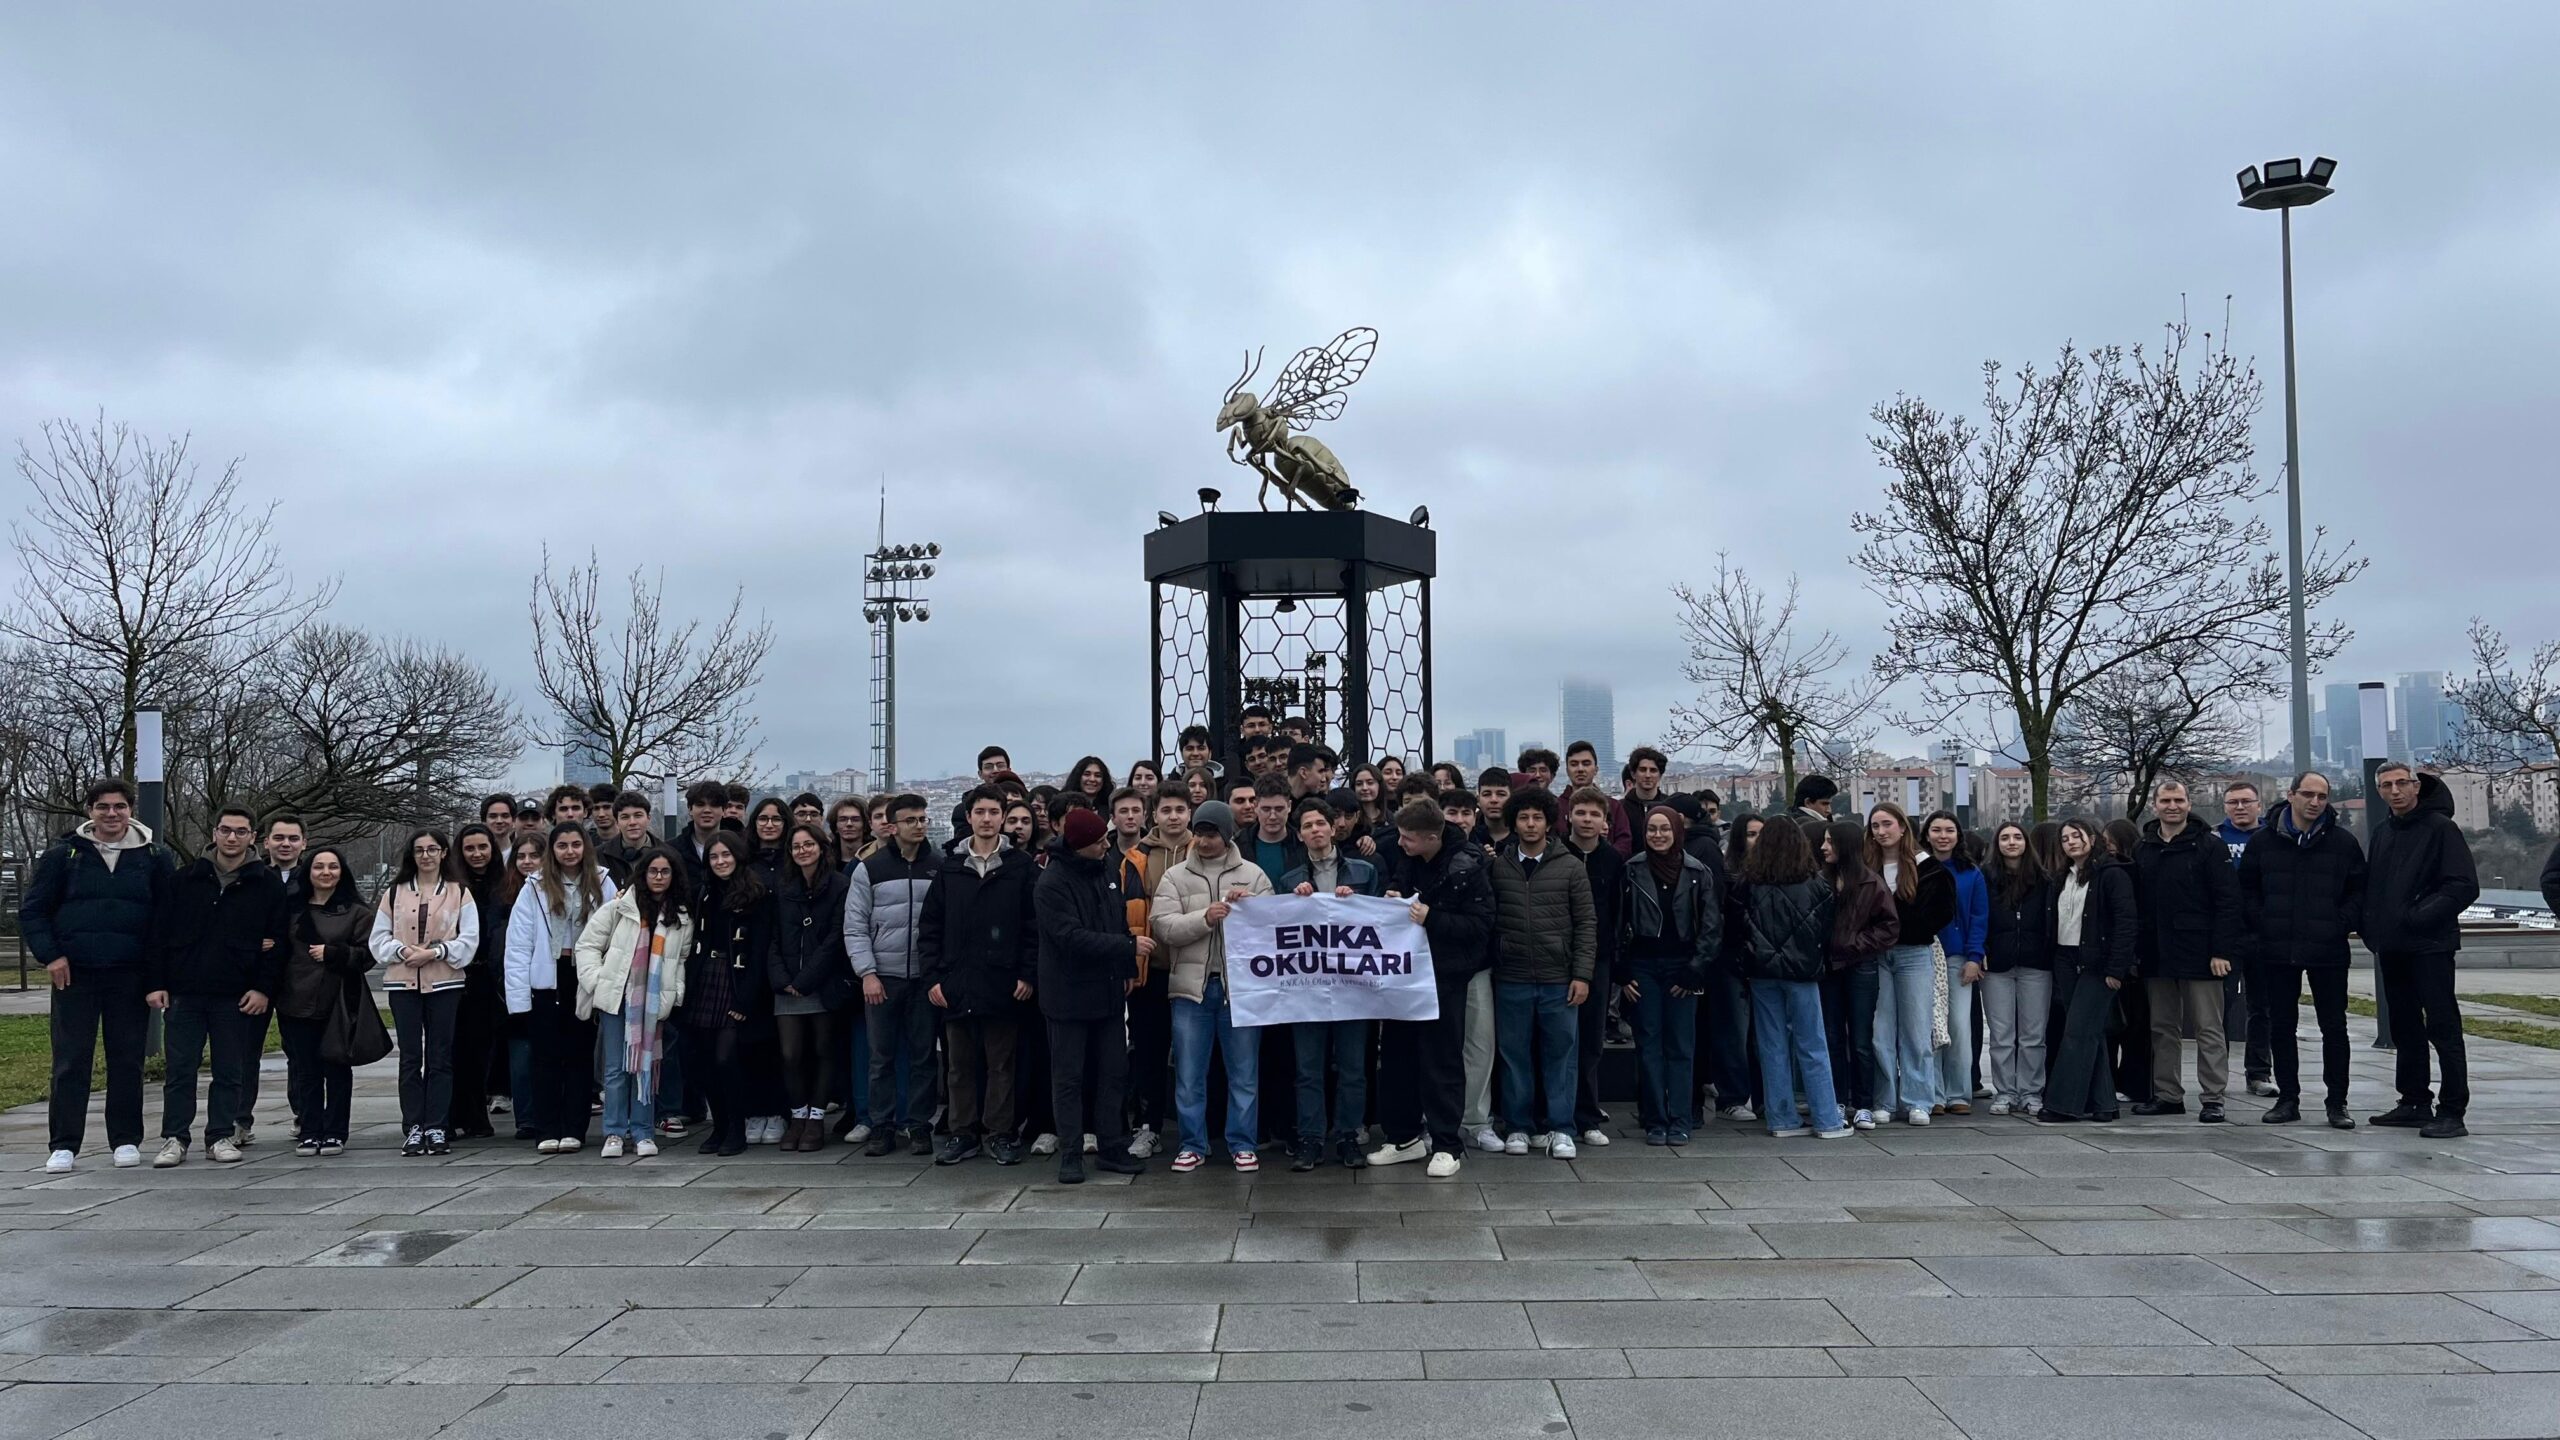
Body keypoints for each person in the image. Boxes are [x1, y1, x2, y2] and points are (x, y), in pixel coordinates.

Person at [26, 780, 176, 1173]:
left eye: (120, 807)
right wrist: (52, 956)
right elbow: (35, 911)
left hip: (129, 975)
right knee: (71, 1060)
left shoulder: (155, 856)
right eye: (103, 807)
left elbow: (165, 923)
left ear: (131, 810)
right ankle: (64, 1144)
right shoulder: (64, 855)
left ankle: (125, 1140)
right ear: (90, 811)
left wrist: (157, 977)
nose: (112, 814)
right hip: (74, 974)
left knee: (127, 1060)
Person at [148, 807, 291, 1168]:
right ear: (214, 833)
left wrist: (262, 989)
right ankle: (174, 1138)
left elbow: (278, 942)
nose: (232, 838)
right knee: (181, 1070)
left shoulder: (267, 884)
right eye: (226, 830)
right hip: (186, 992)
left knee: (231, 1070)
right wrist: (157, 983)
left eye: (240, 832)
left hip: (237, 995)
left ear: (252, 838)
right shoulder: (184, 880)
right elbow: (159, 935)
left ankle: (220, 1135)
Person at [1367, 797, 1499, 1178]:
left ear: (1431, 837)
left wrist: (1432, 918)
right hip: (1404, 977)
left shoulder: (1469, 866)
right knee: (1397, 1058)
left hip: (1445, 978)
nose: (1401, 843)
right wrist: (1393, 895)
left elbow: (1479, 926)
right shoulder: (1409, 858)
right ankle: (1404, 1138)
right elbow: (1400, 883)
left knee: (1441, 1060)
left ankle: (1446, 1144)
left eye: (1408, 838)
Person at [2237, 770, 2365, 1129]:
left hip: (2328, 948)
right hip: (2276, 947)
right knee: (2281, 1025)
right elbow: (2247, 890)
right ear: (2290, 795)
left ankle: (2337, 1103)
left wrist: (2340, 922)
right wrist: (2263, 922)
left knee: (2334, 1027)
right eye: (2308, 794)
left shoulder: (2343, 842)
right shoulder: (2264, 842)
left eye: (2322, 796)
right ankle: (2288, 1098)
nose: (2315, 802)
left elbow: (2359, 890)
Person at [920, 786, 1040, 1165]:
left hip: (1003, 980)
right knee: (959, 1065)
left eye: (993, 812)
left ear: (1003, 817)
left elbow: (1032, 926)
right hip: (957, 980)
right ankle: (962, 1132)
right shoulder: (949, 867)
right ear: (968, 816)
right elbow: (930, 928)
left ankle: (1001, 1132)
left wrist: (1027, 973)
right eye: (980, 812)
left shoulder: (1020, 867)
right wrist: (933, 978)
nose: (986, 819)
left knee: (1001, 1063)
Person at [1152, 799, 1274, 1173]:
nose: (1203, 842)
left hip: (1240, 991)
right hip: (1191, 990)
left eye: (1211, 834)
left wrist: (1251, 908)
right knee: (1189, 1074)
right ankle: (1192, 1143)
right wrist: (1205, 917)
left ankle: (1242, 1143)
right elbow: (1163, 925)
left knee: (1244, 1073)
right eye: (1200, 834)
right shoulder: (1175, 876)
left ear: (1227, 835)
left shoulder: (1253, 875)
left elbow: (1274, 927)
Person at [2362, 763, 2480, 1139]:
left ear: (2416, 786)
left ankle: (2452, 1109)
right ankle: (2413, 1100)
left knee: (2443, 1026)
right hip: (2393, 947)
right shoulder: (2383, 832)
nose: (2394, 791)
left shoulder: (2441, 828)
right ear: (2379, 791)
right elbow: (2375, 886)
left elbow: (2463, 885)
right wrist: (2374, 929)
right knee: (2405, 1026)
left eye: (2401, 783)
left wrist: (2417, 916)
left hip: (2431, 945)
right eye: (2386, 785)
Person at [1036, 807, 1150, 1185]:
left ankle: (1112, 1147)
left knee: (1113, 1073)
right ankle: (1071, 1153)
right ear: (1080, 845)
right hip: (1067, 995)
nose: (1107, 844)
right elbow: (1068, 937)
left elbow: (1115, 917)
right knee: (1068, 1077)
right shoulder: (1052, 882)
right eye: (1100, 841)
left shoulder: (1104, 869)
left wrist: (1127, 969)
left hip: (1107, 992)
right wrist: (1127, 947)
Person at [1486, 788, 1595, 1159]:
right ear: (1514, 822)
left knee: (1561, 1055)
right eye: (1523, 818)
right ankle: (1518, 1126)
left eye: (1537, 818)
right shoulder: (1499, 866)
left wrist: (1582, 974)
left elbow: (1586, 924)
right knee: (1514, 1055)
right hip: (1512, 976)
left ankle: (1561, 1128)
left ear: (1549, 822)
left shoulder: (1571, 867)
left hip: (1558, 978)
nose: (1530, 825)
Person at [1276, 797, 1383, 1170]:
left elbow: (1380, 922)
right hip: (1307, 988)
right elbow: (1279, 928)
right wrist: (1293, 901)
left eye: (1320, 823)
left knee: (1353, 1066)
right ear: (1300, 833)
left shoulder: (1363, 871)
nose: (1315, 830)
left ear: (1333, 826)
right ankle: (1311, 1138)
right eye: (1307, 826)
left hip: (1352, 987)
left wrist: (1358, 902)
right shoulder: (1290, 880)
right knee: (1308, 1068)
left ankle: (1348, 1136)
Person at [2130, 780, 2245, 1124]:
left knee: (2209, 1028)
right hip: (2157, 954)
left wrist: (2222, 950)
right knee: (2162, 1027)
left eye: (2178, 800)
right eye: (2165, 800)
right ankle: (2168, 1095)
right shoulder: (2143, 848)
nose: (2172, 806)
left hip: (2202, 954)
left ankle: (2213, 1097)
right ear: (2155, 804)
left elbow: (2227, 901)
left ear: (2188, 803)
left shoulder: (2210, 846)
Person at [1730, 816, 1850, 1140]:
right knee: (1812, 1044)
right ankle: (1826, 1118)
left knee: (1771, 1045)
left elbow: (1737, 930)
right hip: (1804, 972)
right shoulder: (1817, 884)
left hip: (1761, 973)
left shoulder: (1746, 883)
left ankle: (1781, 1118)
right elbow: (1827, 930)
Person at [367, 828, 480, 1157]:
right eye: (420, 850)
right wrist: (403, 952)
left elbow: (469, 939)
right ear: (411, 855)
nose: (426, 855)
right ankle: (413, 1126)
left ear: (444, 852)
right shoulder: (395, 892)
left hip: (445, 982)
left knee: (440, 1057)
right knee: (410, 1057)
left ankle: (437, 1125)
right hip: (404, 984)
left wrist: (435, 953)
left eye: (433, 849)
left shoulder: (459, 893)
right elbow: (378, 938)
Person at [574, 846, 692, 1159]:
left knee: (646, 1065)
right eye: (653, 871)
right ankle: (614, 1131)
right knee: (615, 1068)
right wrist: (598, 982)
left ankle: (643, 1131)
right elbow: (587, 945)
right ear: (642, 874)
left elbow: (681, 959)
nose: (658, 877)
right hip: (618, 996)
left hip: (653, 1002)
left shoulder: (680, 916)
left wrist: (675, 992)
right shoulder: (619, 908)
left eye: (665, 871)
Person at [506, 822, 615, 1153]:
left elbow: (614, 934)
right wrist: (519, 998)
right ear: (552, 850)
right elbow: (518, 944)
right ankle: (546, 1128)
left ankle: (574, 1128)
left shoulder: (603, 882)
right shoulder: (534, 887)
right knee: (545, 1058)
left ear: (585, 847)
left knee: (580, 1057)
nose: (570, 851)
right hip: (546, 978)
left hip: (584, 977)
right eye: (562, 845)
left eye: (576, 845)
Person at [847, 793, 941, 1157]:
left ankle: (918, 1125)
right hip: (883, 977)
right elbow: (854, 926)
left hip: (923, 977)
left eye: (922, 819)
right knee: (881, 1057)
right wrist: (867, 973)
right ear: (893, 825)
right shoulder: (869, 869)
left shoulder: (938, 864)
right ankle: (881, 1126)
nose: (918, 826)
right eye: (910, 820)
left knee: (923, 1057)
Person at [1620, 805, 1721, 1145]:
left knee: (1681, 1045)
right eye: (1652, 829)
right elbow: (1619, 923)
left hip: (1683, 966)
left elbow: (1711, 926)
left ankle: (1680, 1118)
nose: (1658, 835)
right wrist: (1623, 972)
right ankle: (1654, 1118)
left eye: (1665, 829)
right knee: (1648, 1044)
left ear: (1678, 831)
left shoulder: (1697, 872)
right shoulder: (1632, 870)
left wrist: (1696, 969)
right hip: (1644, 967)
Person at [2040, 819, 2136, 1125]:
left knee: (2078, 1032)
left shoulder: (2111, 874)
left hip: (2098, 963)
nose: (2071, 842)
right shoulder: (2062, 877)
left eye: (2077, 835)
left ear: (2093, 838)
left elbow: (2126, 923)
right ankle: (2105, 1105)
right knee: (2089, 1033)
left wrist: (2116, 969)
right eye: (2065, 838)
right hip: (2065, 959)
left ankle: (2063, 1105)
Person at [1866, 802, 1954, 1126]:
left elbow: (1942, 910)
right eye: (1875, 826)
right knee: (1881, 1031)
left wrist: (1907, 927)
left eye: (1886, 824)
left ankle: (1919, 1100)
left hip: (1914, 953)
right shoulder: (1868, 866)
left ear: (1902, 827)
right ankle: (1884, 1100)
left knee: (1917, 1031)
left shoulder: (1927, 867)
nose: (1880, 831)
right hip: (1877, 955)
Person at [685, 831, 772, 1155]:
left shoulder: (757, 894)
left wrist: (746, 998)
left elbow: (761, 949)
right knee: (703, 1062)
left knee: (726, 1059)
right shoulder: (704, 894)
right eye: (714, 856)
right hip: (705, 977)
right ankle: (719, 1126)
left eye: (725, 855)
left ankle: (737, 1128)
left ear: (737, 855)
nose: (720, 862)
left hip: (736, 980)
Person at [1118, 784, 1191, 1158]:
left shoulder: (1205, 848)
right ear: (1154, 815)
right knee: (1148, 1050)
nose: (1174, 816)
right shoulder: (1136, 857)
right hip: (1152, 968)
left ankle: (1197, 1128)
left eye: (1180, 809)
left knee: (1195, 1054)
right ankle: (1148, 1126)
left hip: (1195, 967)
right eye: (1167, 810)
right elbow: (1126, 914)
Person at [280, 844, 367, 1155]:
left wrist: (335, 954)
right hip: (295, 999)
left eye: (333, 867)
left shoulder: (357, 912)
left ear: (342, 872)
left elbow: (368, 954)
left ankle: (335, 1131)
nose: (326, 873)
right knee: (305, 1070)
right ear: (309, 872)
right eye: (319, 867)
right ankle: (310, 1128)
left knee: (337, 1069)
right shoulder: (291, 908)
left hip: (338, 1001)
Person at [769, 823, 851, 1150]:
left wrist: (806, 980)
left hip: (823, 982)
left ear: (821, 847)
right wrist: (783, 980)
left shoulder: (839, 885)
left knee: (823, 1051)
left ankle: (816, 1118)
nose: (802, 851)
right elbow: (773, 936)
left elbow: (835, 938)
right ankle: (798, 1114)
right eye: (796, 846)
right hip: (787, 985)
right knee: (790, 1054)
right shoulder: (784, 886)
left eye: (808, 844)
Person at [1819, 820, 1899, 1130]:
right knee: (1833, 1036)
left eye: (1830, 842)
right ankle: (1838, 1098)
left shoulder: (1870, 883)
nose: (1824, 847)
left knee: (1862, 1038)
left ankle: (1864, 1103)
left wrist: (1856, 944)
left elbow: (1889, 926)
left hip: (1861, 966)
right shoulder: (1820, 881)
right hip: (1829, 967)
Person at [235, 812, 307, 1147]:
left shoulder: (313, 877)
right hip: (255, 978)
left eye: (293, 838)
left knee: (300, 1051)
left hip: (298, 977)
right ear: (265, 842)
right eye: (279, 838)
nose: (285, 844)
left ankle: (304, 1115)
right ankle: (239, 1120)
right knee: (244, 1051)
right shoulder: (249, 877)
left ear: (303, 843)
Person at [1560, 786, 1625, 1147]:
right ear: (1569, 815)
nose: (1587, 820)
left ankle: (1587, 1114)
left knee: (1590, 1042)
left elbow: (1616, 914)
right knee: (1558, 1041)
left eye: (1594, 815)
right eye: (1580, 813)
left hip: (1598, 960)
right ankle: (1556, 1112)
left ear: (1605, 821)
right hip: (1557, 958)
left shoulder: (1613, 860)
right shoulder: (1557, 853)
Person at [1978, 822, 2054, 1118]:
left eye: (2017, 837)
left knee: (2034, 1034)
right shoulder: (1986, 878)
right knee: (2001, 1033)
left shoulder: (2044, 879)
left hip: (2036, 964)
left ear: (2027, 843)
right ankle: (2005, 1091)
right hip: (1997, 964)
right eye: (2005, 838)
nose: (2011, 842)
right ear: (1997, 844)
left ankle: (2031, 1090)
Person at [448, 822, 511, 1141]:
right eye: (470, 848)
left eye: (482, 847)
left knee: (482, 1049)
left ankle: (475, 1115)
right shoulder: (450, 886)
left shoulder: (506, 883)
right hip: (455, 974)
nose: (477, 854)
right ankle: (452, 1114)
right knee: (453, 1048)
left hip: (490, 977)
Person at [1923, 810, 1988, 1115]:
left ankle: (1958, 1092)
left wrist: (1975, 956)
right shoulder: (1919, 867)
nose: (1943, 836)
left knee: (1959, 1026)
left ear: (1958, 836)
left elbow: (1978, 917)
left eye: (1949, 830)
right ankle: (1933, 1092)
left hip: (1959, 957)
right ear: (1927, 834)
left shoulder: (1971, 873)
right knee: (1930, 1026)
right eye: (1936, 830)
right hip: (1924, 957)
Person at [2216, 781, 2276, 1098]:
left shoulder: (2274, 838)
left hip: (2265, 936)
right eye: (2233, 802)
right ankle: (2216, 1075)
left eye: (2246, 802)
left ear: (2258, 804)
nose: (2240, 807)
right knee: (2219, 1008)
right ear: (2225, 807)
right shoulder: (2215, 840)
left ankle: (2259, 1072)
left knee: (2262, 1007)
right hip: (2227, 936)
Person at [1609, 746, 1670, 855]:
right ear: (1633, 774)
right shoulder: (1619, 808)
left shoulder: (1670, 806)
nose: (1647, 775)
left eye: (1653, 770)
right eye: (1642, 770)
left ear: (1660, 775)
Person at [670, 780, 731, 885]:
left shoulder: (739, 850)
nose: (707, 810)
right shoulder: (671, 850)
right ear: (690, 809)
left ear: (724, 810)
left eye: (714, 804)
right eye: (700, 804)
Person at [595, 791, 657, 886]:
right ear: (617, 822)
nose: (632, 822)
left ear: (648, 818)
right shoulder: (598, 856)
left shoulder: (668, 853)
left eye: (638, 815)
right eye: (625, 817)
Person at [1473, 767, 1514, 851]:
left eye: (1501, 794)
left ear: (1511, 798)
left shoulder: (1523, 837)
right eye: (1487, 794)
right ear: (1478, 800)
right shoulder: (1470, 835)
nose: (1494, 800)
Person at [829, 797, 873, 869]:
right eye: (843, 819)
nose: (849, 824)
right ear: (835, 826)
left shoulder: (876, 856)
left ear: (865, 825)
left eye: (855, 819)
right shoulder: (824, 860)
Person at [1107, 786, 1149, 855]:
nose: (1130, 816)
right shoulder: (1101, 854)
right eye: (1124, 811)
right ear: (1113, 818)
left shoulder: (1156, 853)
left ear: (1144, 816)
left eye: (1136, 810)